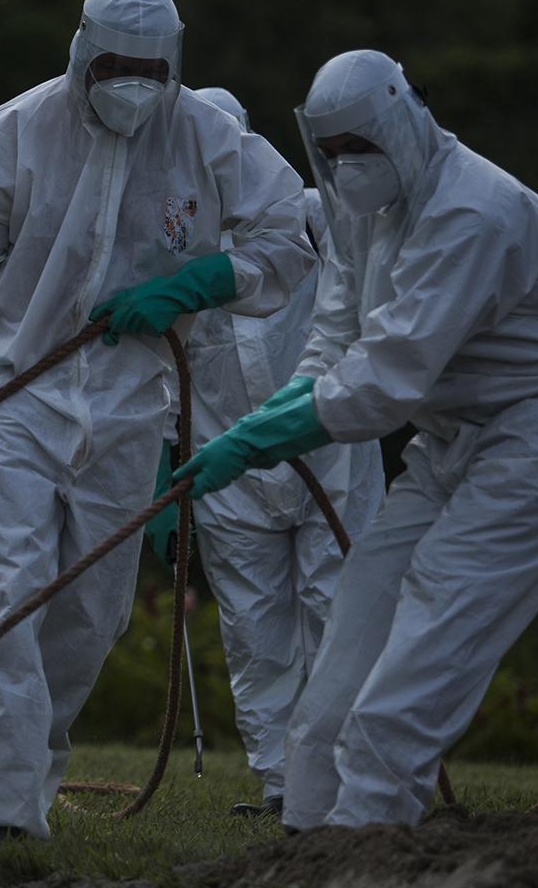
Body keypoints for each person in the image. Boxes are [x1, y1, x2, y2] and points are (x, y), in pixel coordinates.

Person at [172, 50, 538, 830]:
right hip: (459, 429)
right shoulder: (362, 209)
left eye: (358, 148)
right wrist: (270, 419)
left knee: (443, 596)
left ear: (404, 121)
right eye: (329, 154)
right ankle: (309, 823)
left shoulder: (471, 212)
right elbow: (335, 336)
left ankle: (369, 825)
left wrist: (255, 441)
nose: (344, 167)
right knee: (369, 591)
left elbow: (387, 378)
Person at [0, 0, 314, 847]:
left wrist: (203, 282)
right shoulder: (11, 132)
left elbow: (287, 233)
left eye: (151, 69)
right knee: (8, 596)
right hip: (18, 399)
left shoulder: (208, 136)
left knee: (90, 614)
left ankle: (29, 779)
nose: (133, 83)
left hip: (133, 406)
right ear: (82, 49)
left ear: (175, 64)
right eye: (116, 64)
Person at [161, 85, 385, 818]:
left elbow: (367, 295)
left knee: (339, 615)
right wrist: (162, 463)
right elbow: (162, 370)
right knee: (256, 633)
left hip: (329, 450)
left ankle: (346, 776)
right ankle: (281, 783)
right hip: (227, 472)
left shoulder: (313, 221)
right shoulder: (168, 243)